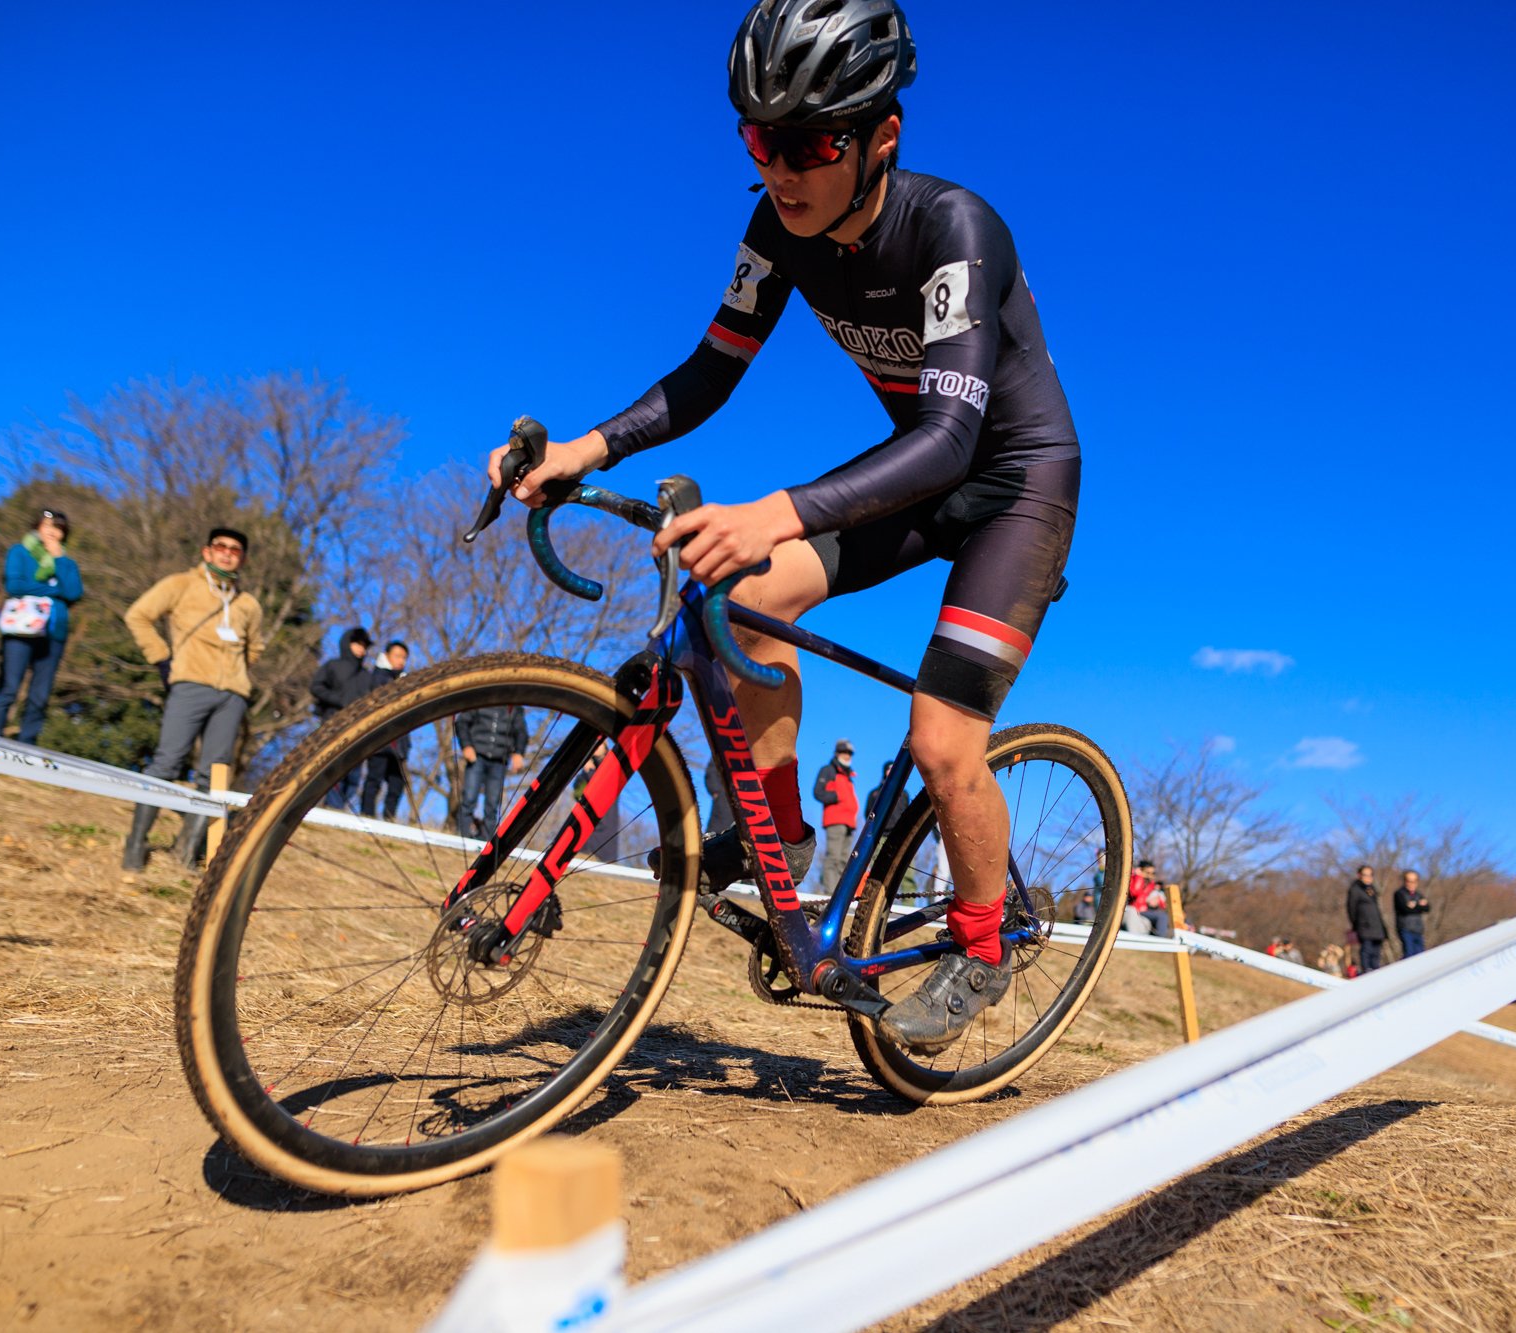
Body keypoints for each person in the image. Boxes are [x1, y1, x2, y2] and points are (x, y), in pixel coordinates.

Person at [495, 0, 1081, 1052]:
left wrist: (773, 510)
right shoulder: (776, 229)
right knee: (746, 598)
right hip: (920, 470)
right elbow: (708, 373)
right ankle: (782, 833)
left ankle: (983, 944)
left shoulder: (955, 228)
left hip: (1013, 484)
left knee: (941, 739)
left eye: (809, 145)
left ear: (881, 137)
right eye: (760, 141)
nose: (781, 170)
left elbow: (953, 437)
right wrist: (586, 448)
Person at [120, 528, 265, 870]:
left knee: (215, 775)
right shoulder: (181, 584)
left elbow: (255, 646)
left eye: (235, 550)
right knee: (166, 763)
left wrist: (237, 674)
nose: (227, 553)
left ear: (243, 558)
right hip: (189, 684)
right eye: (221, 547)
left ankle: (185, 854)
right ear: (206, 551)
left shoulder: (248, 603)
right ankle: (136, 844)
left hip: (232, 695)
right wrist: (162, 659)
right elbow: (137, 615)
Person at [0, 508, 84, 745]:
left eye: (58, 528)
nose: (52, 532)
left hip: (54, 631)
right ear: (37, 527)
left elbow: (74, 593)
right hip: (21, 628)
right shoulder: (20, 551)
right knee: (9, 687)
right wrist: (55, 590)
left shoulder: (67, 563)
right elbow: (15, 586)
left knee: (40, 694)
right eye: (48, 525)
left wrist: (58, 559)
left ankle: (27, 743)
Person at [310, 627, 374, 809]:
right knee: (334, 767)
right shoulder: (333, 665)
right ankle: (331, 807)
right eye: (357, 644)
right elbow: (316, 687)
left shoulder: (366, 675)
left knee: (354, 773)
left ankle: (338, 808)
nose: (361, 649)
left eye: (364, 646)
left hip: (358, 729)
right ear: (348, 644)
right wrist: (338, 700)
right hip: (333, 722)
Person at [454, 704, 530, 840]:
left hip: (499, 761)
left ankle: (485, 840)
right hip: (477, 756)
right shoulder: (482, 700)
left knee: (493, 803)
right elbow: (461, 722)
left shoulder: (515, 708)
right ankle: (462, 837)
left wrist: (519, 752)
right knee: (469, 798)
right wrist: (466, 745)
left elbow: (521, 732)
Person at [358, 641, 411, 820]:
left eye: (404, 657)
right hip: (380, 739)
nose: (401, 660)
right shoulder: (377, 676)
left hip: (399, 741)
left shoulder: (405, 680)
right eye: (397, 656)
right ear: (387, 656)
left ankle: (389, 818)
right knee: (374, 778)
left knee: (397, 783)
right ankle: (367, 815)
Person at [814, 739, 859, 891]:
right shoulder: (828, 770)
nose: (847, 756)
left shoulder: (849, 776)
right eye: (844, 752)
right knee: (833, 857)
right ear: (837, 753)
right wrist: (837, 796)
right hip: (835, 821)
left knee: (844, 860)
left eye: (849, 753)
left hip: (849, 823)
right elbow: (818, 792)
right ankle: (830, 893)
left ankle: (839, 893)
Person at [1346, 864, 1387, 973]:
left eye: (1370, 875)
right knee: (1366, 949)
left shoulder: (1372, 889)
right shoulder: (1355, 889)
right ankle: (1366, 970)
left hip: (1377, 926)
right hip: (1364, 925)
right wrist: (1356, 924)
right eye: (1365, 875)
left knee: (1376, 952)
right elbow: (1351, 908)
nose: (1368, 878)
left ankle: (1375, 970)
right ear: (1359, 875)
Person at [1393, 869, 1430, 958]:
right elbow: (1405, 909)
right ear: (1405, 881)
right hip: (1405, 928)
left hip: (1418, 929)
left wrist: (1414, 906)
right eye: (1409, 881)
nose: (1411, 884)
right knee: (1409, 954)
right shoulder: (1399, 894)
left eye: (1414, 881)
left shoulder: (1418, 894)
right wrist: (1419, 906)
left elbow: (1427, 908)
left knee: (1420, 955)